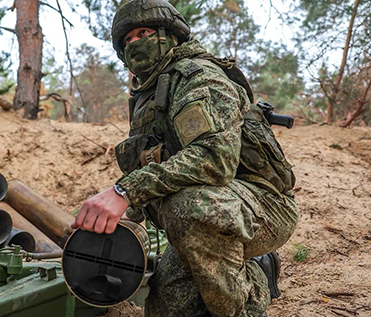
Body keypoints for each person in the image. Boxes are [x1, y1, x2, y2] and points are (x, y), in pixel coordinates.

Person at [71, 1, 299, 316]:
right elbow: (159, 168)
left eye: (144, 32)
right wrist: (127, 213)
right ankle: (227, 268)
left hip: (262, 207)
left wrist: (125, 192)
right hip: (209, 212)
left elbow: (214, 158)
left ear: (170, 35)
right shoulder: (147, 98)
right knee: (168, 306)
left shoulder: (199, 76)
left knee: (188, 207)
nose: (135, 43)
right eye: (127, 40)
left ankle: (253, 283)